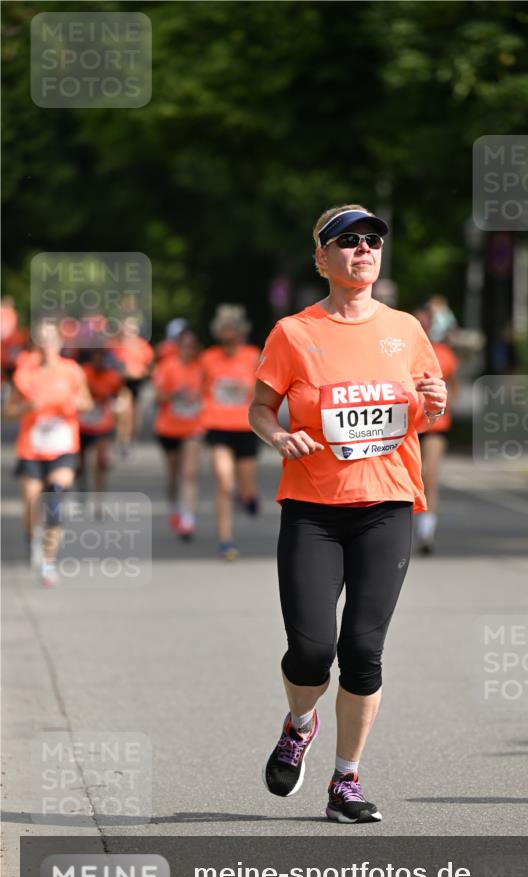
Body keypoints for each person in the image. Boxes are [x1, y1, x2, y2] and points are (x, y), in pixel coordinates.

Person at [249, 204, 448, 823]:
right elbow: (260, 407)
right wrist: (279, 436)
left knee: (363, 650)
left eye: (373, 241)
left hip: (386, 504)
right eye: (349, 241)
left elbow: (425, 407)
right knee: (311, 652)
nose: (364, 249)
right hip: (312, 509)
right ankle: (299, 723)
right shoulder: (293, 333)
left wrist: (437, 403)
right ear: (322, 258)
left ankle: (345, 782)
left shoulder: (406, 329)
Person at [4, 320, 93, 585]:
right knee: (32, 504)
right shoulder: (25, 373)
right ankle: (31, 539)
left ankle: (48, 562)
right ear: (34, 344)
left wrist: (75, 402)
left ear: (60, 342)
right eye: (41, 340)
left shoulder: (71, 371)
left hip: (63, 446)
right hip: (32, 448)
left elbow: (87, 402)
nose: (46, 345)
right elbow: (7, 412)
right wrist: (26, 408)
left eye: (51, 339)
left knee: (54, 498)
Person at [201, 304, 261, 559]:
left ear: (240, 333)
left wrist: (245, 390)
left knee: (244, 489)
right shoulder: (208, 358)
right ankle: (225, 540)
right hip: (217, 427)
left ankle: (249, 496)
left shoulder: (252, 355)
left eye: (233, 331)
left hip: (246, 427)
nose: (229, 336)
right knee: (224, 483)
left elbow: (262, 390)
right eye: (224, 331)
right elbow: (201, 390)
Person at [415, 304, 459, 554]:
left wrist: (445, 405)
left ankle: (426, 534)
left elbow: (453, 385)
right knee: (411, 477)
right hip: (408, 425)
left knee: (429, 475)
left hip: (435, 425)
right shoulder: (398, 349)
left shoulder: (443, 353)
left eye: (426, 322)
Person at [152, 327, 205, 539]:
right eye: (185, 346)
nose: (189, 350)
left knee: (189, 473)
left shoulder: (202, 368)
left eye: (192, 346)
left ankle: (188, 519)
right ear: (178, 347)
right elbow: (157, 397)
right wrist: (176, 395)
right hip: (168, 428)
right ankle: (174, 507)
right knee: (173, 475)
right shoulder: (167, 366)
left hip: (194, 427)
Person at [77, 348, 124, 506]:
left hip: (103, 425)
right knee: (81, 463)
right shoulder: (82, 374)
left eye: (101, 359)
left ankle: (99, 499)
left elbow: (117, 399)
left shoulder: (113, 377)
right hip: (82, 425)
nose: (98, 362)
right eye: (95, 358)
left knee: (101, 462)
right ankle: (82, 488)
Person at [110, 316, 154, 453]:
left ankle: (131, 438)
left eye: (132, 329)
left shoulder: (143, 346)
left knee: (135, 411)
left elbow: (150, 366)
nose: (129, 332)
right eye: (127, 329)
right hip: (120, 383)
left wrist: (141, 373)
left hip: (136, 382)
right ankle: (122, 438)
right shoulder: (115, 345)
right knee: (123, 410)